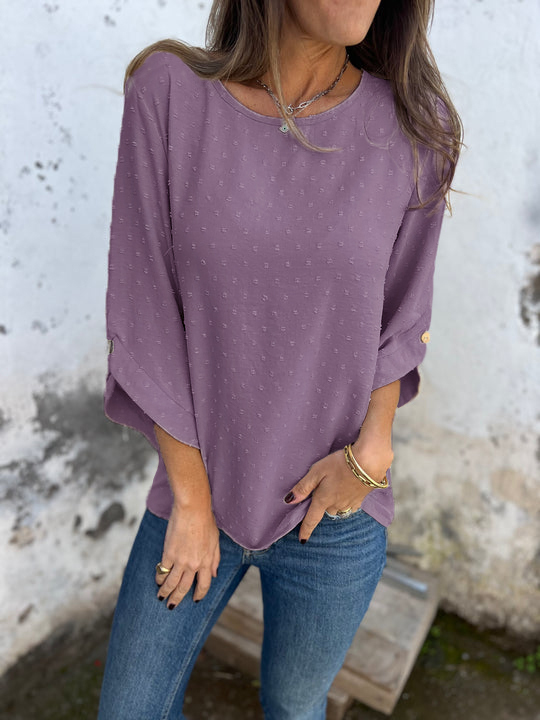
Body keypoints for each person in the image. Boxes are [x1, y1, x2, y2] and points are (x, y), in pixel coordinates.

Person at [98, 1, 462, 718]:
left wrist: (372, 454)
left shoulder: (416, 128)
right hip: (198, 493)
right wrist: (192, 502)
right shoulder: (169, 94)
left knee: (296, 709)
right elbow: (144, 313)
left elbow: (402, 317)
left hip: (335, 509)